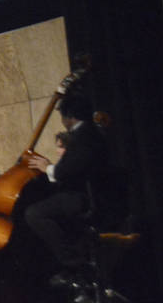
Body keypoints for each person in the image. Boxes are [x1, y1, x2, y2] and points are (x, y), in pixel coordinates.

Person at [24, 94, 107, 279]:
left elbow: (69, 169)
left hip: (84, 197)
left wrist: (48, 168)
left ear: (69, 117)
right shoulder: (87, 133)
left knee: (34, 213)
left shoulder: (83, 134)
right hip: (86, 193)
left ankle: (73, 262)